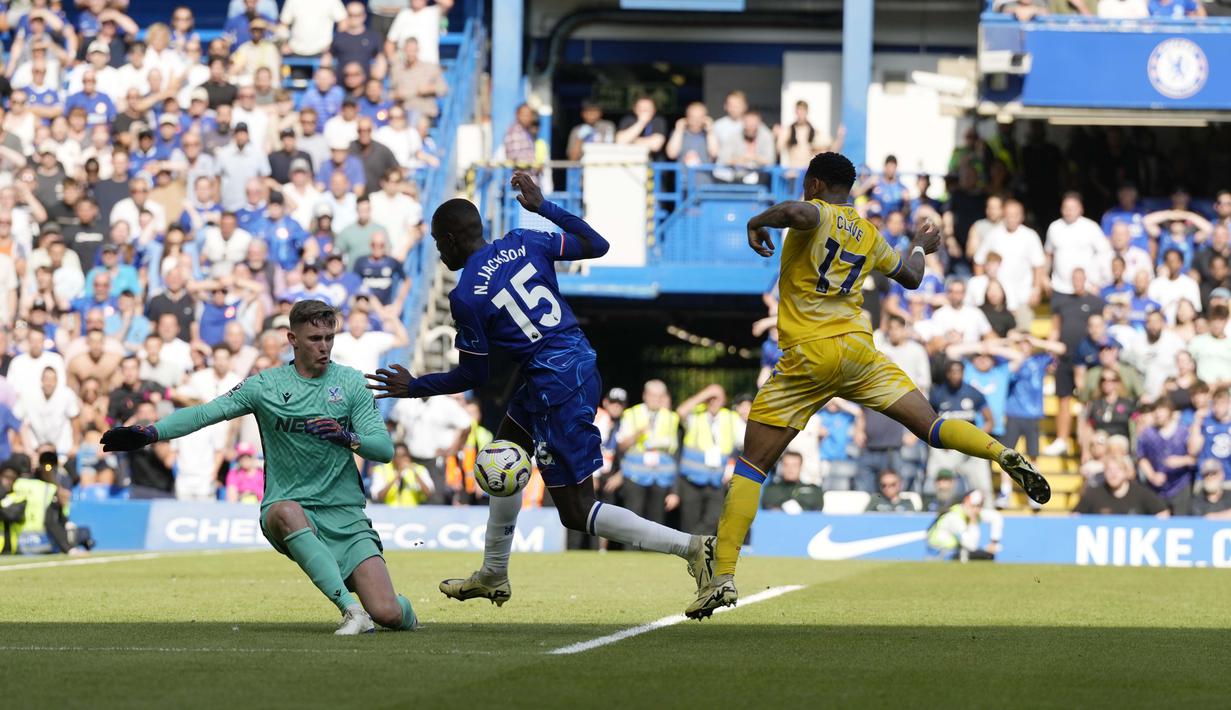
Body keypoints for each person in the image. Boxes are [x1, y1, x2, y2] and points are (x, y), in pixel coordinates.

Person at [686, 152, 1048, 620]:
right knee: (933, 426)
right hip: (858, 353)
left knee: (752, 466)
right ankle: (1001, 453)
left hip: (808, 356)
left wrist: (757, 221)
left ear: (814, 184)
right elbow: (912, 276)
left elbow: (797, 214)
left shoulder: (815, 212)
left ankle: (724, 576)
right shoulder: (870, 234)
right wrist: (919, 242)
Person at [366, 172, 713, 607]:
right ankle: (493, 573)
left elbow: (473, 377)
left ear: (452, 239)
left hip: (555, 387)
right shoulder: (526, 239)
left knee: (575, 509)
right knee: (501, 452)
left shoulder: (467, 296)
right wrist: (544, 207)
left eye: (438, 242)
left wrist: (415, 386)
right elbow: (597, 246)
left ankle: (693, 548)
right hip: (569, 365)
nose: (438, 251)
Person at [100, 300, 417, 635]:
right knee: (285, 511)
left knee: (388, 613)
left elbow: (383, 450)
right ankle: (352, 611)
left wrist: (346, 436)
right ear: (292, 339)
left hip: (345, 512)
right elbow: (206, 412)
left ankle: (405, 613)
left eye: (329, 337)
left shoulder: (351, 383)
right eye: (314, 339)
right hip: (289, 504)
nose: (324, 347)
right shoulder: (264, 386)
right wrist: (151, 432)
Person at [675, 384, 740, 535]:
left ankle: (694, 542)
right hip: (692, 479)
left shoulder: (731, 418)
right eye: (710, 398)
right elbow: (680, 412)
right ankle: (691, 549)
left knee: (714, 518)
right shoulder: (696, 415)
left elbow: (742, 444)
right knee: (689, 520)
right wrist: (705, 394)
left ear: (724, 400)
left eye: (717, 398)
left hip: (717, 480)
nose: (713, 401)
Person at [1073, 454, 1168, 516]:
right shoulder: (1093, 494)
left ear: (1127, 472)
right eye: (1109, 470)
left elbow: (1163, 514)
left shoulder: (1141, 493)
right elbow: (1074, 517)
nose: (1113, 474)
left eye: (1118, 469)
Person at [926, 490, 1003, 562]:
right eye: (975, 505)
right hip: (940, 554)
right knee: (982, 556)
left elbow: (996, 517)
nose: (977, 510)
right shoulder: (954, 517)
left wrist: (994, 542)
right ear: (966, 502)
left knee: (987, 556)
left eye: (980, 506)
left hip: (953, 551)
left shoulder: (972, 512)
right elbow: (971, 545)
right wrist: (973, 522)